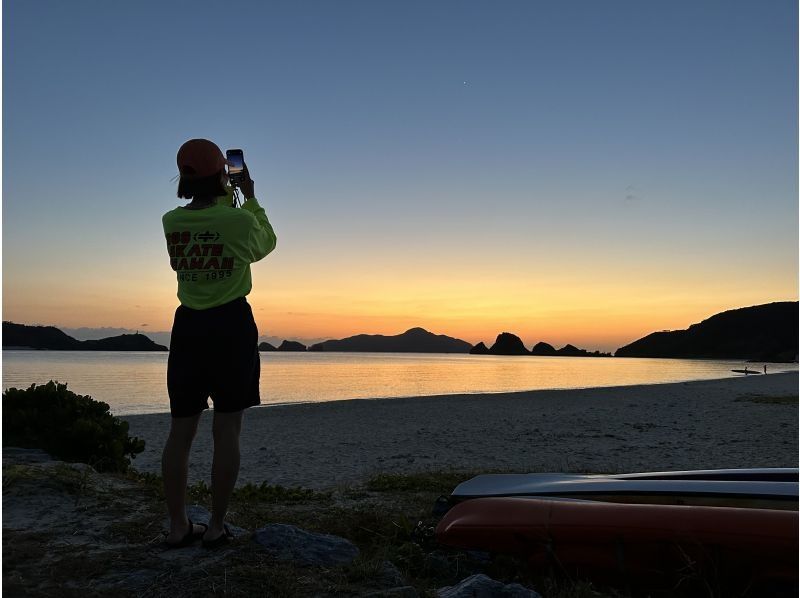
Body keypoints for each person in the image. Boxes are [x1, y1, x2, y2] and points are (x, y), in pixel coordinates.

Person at [161, 139, 277, 548]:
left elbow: (191, 249)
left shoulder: (171, 221)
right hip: (230, 324)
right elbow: (267, 242)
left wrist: (230, 199)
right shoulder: (239, 220)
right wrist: (251, 197)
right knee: (227, 429)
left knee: (180, 433)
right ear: (222, 175)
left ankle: (178, 525)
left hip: (188, 327)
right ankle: (214, 525)